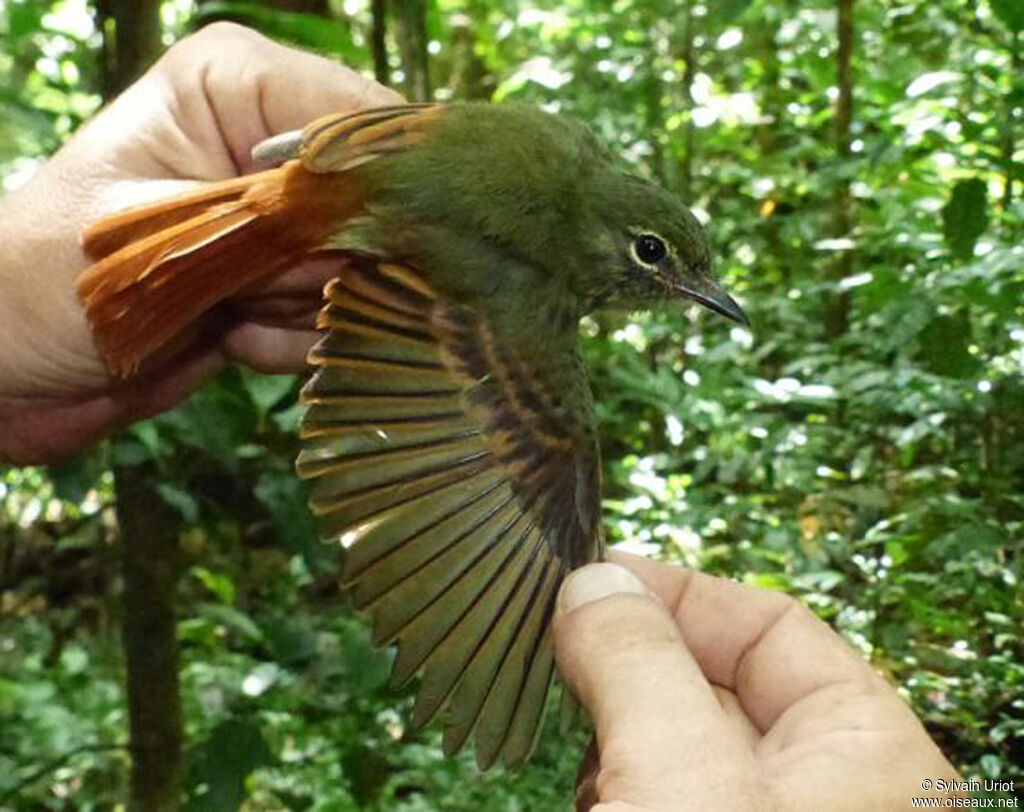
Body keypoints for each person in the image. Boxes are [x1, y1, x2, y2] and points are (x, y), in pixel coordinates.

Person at [0, 23, 961, 809]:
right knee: (557, 454)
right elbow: (524, 472)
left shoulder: (560, 142)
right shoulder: (529, 298)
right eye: (657, 259)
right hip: (314, 199)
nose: (677, 287)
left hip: (329, 173)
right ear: (608, 235)